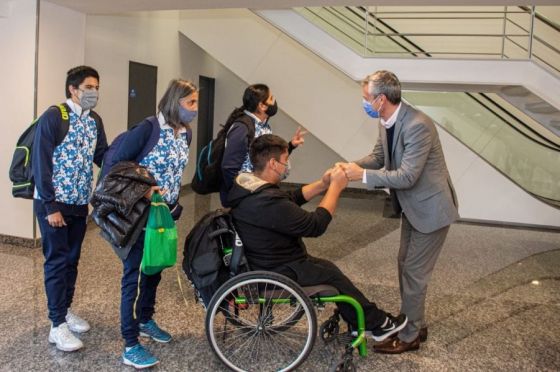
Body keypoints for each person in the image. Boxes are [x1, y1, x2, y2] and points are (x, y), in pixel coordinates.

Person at [227, 134, 407, 341]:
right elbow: (315, 225)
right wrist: (335, 188)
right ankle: (377, 324)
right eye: (285, 161)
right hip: (278, 268)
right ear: (273, 164)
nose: (288, 166)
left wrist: (323, 184)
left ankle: (363, 322)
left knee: (328, 269)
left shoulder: (249, 187)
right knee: (333, 277)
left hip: (267, 260)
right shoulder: (265, 200)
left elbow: (290, 199)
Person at [339, 70, 459, 353]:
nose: (365, 103)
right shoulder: (386, 120)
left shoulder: (418, 125)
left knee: (414, 273)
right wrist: (349, 167)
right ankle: (415, 322)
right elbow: (379, 157)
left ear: (381, 99)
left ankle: (409, 337)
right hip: (412, 207)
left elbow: (407, 177)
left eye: (367, 98)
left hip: (431, 209)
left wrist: (362, 177)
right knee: (405, 264)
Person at [109, 79, 198, 368]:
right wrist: (145, 188)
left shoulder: (185, 133)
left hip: (164, 212)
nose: (195, 109)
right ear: (175, 102)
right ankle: (130, 343)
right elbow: (116, 165)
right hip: (138, 213)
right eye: (191, 103)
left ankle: (146, 318)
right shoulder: (148, 129)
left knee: (154, 267)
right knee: (132, 275)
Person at [33, 65, 108, 351]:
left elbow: (102, 155)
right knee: (57, 261)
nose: (94, 92)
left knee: (72, 261)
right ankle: (56, 326)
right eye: (89, 87)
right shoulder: (55, 116)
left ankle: (64, 311)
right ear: (72, 89)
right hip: (53, 203)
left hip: (78, 203)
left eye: (97, 87)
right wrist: (50, 205)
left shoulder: (94, 120)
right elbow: (42, 162)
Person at [220, 83, 306, 206]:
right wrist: (239, 196)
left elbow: (268, 155)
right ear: (261, 106)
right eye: (271, 98)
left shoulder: (264, 126)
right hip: (246, 197)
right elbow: (229, 167)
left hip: (259, 194)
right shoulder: (242, 128)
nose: (274, 101)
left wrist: (291, 145)